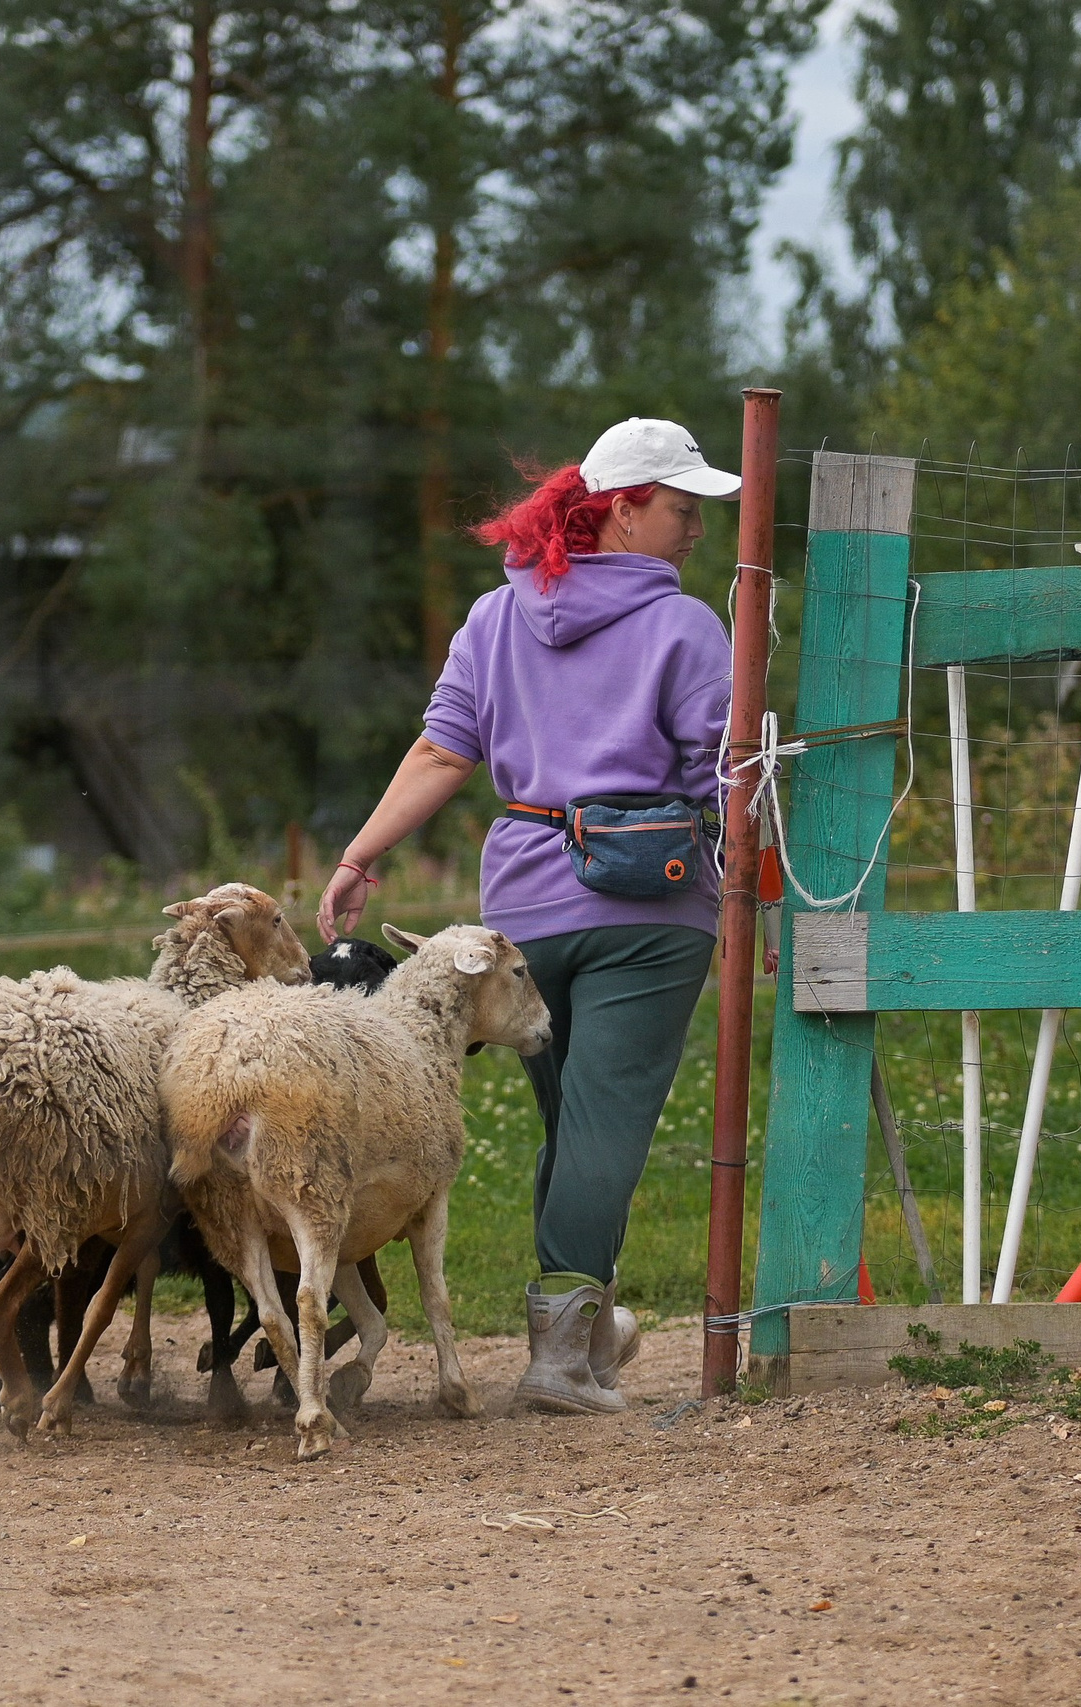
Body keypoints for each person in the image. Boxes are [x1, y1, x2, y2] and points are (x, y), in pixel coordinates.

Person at [316, 417, 738, 1414]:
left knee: (569, 1124)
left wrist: (358, 855)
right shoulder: (687, 629)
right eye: (681, 509)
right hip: (653, 901)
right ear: (623, 507)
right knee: (605, 1128)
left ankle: (584, 1337)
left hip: (524, 910)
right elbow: (724, 776)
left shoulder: (493, 618)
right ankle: (557, 1356)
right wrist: (761, 890)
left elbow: (441, 754)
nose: (695, 530)